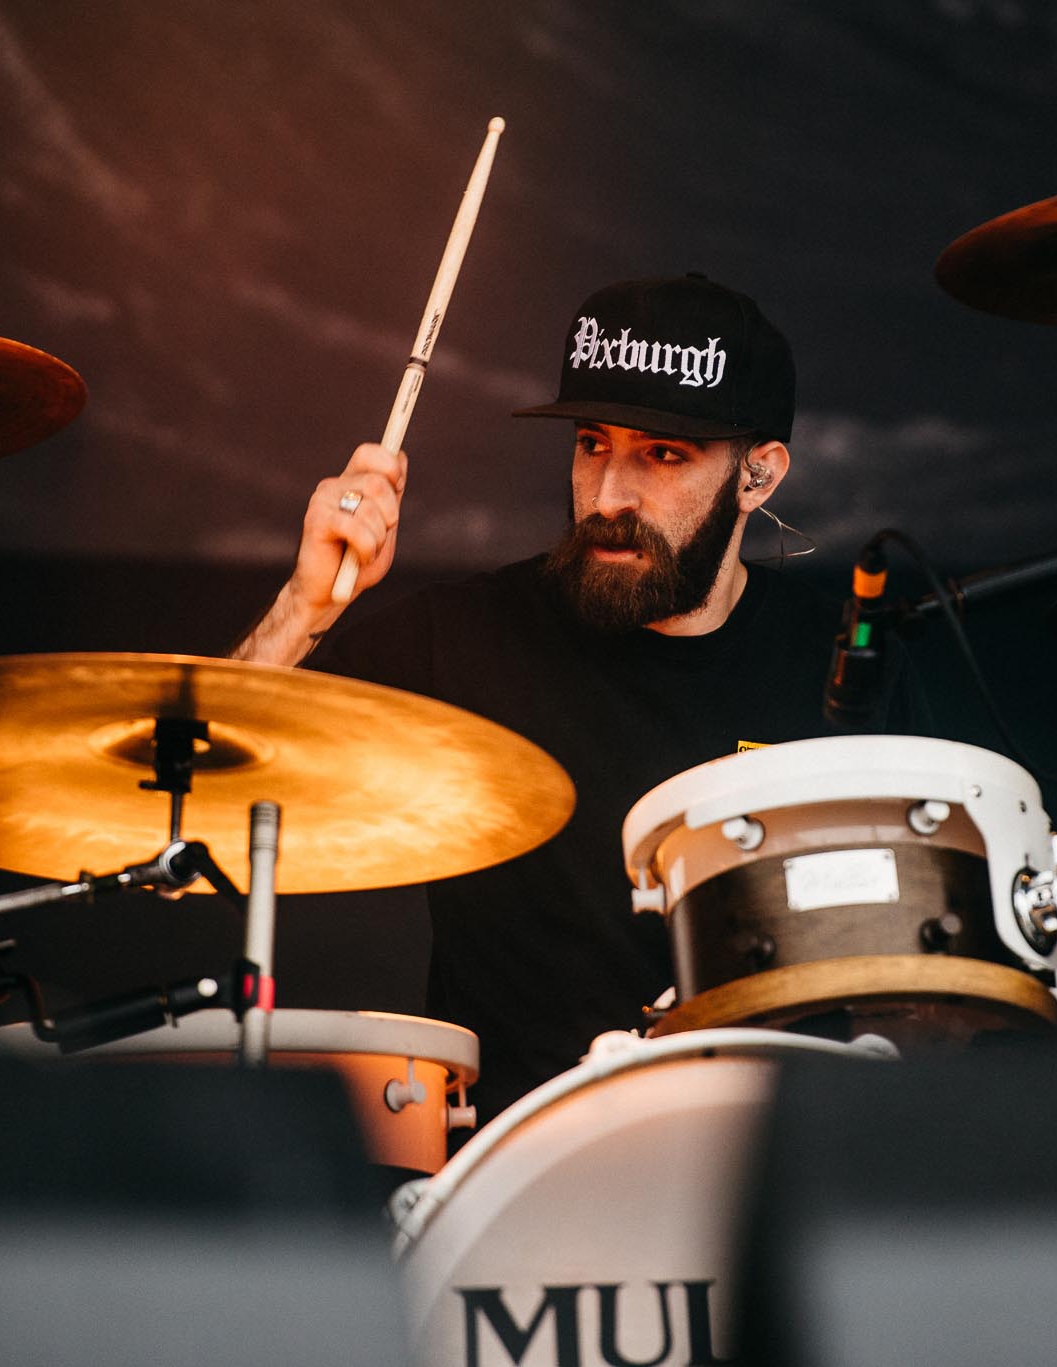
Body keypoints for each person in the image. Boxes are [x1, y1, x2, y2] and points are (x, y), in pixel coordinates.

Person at [232, 274, 907, 1120]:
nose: (610, 494)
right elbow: (199, 794)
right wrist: (304, 606)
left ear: (759, 474)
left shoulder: (845, 665)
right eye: (593, 443)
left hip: (781, 1157)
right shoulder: (465, 639)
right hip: (511, 1163)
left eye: (663, 454)